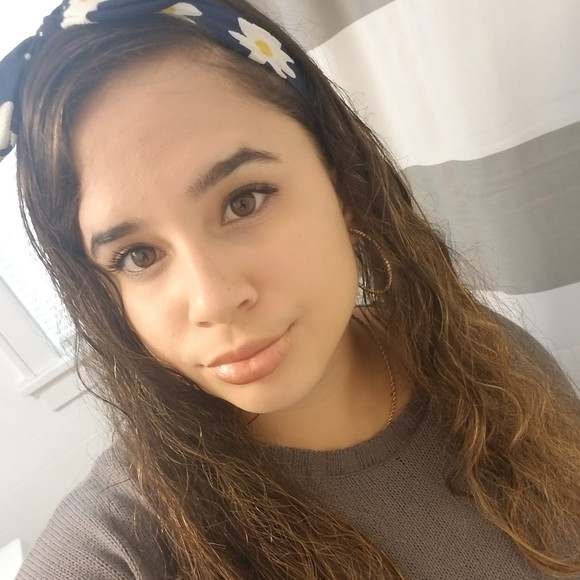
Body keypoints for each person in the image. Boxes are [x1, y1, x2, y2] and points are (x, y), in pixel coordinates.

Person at [1, 1, 578, 578]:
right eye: (138, 256)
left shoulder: (482, 354)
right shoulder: (121, 544)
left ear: (343, 185)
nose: (213, 300)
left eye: (243, 201)